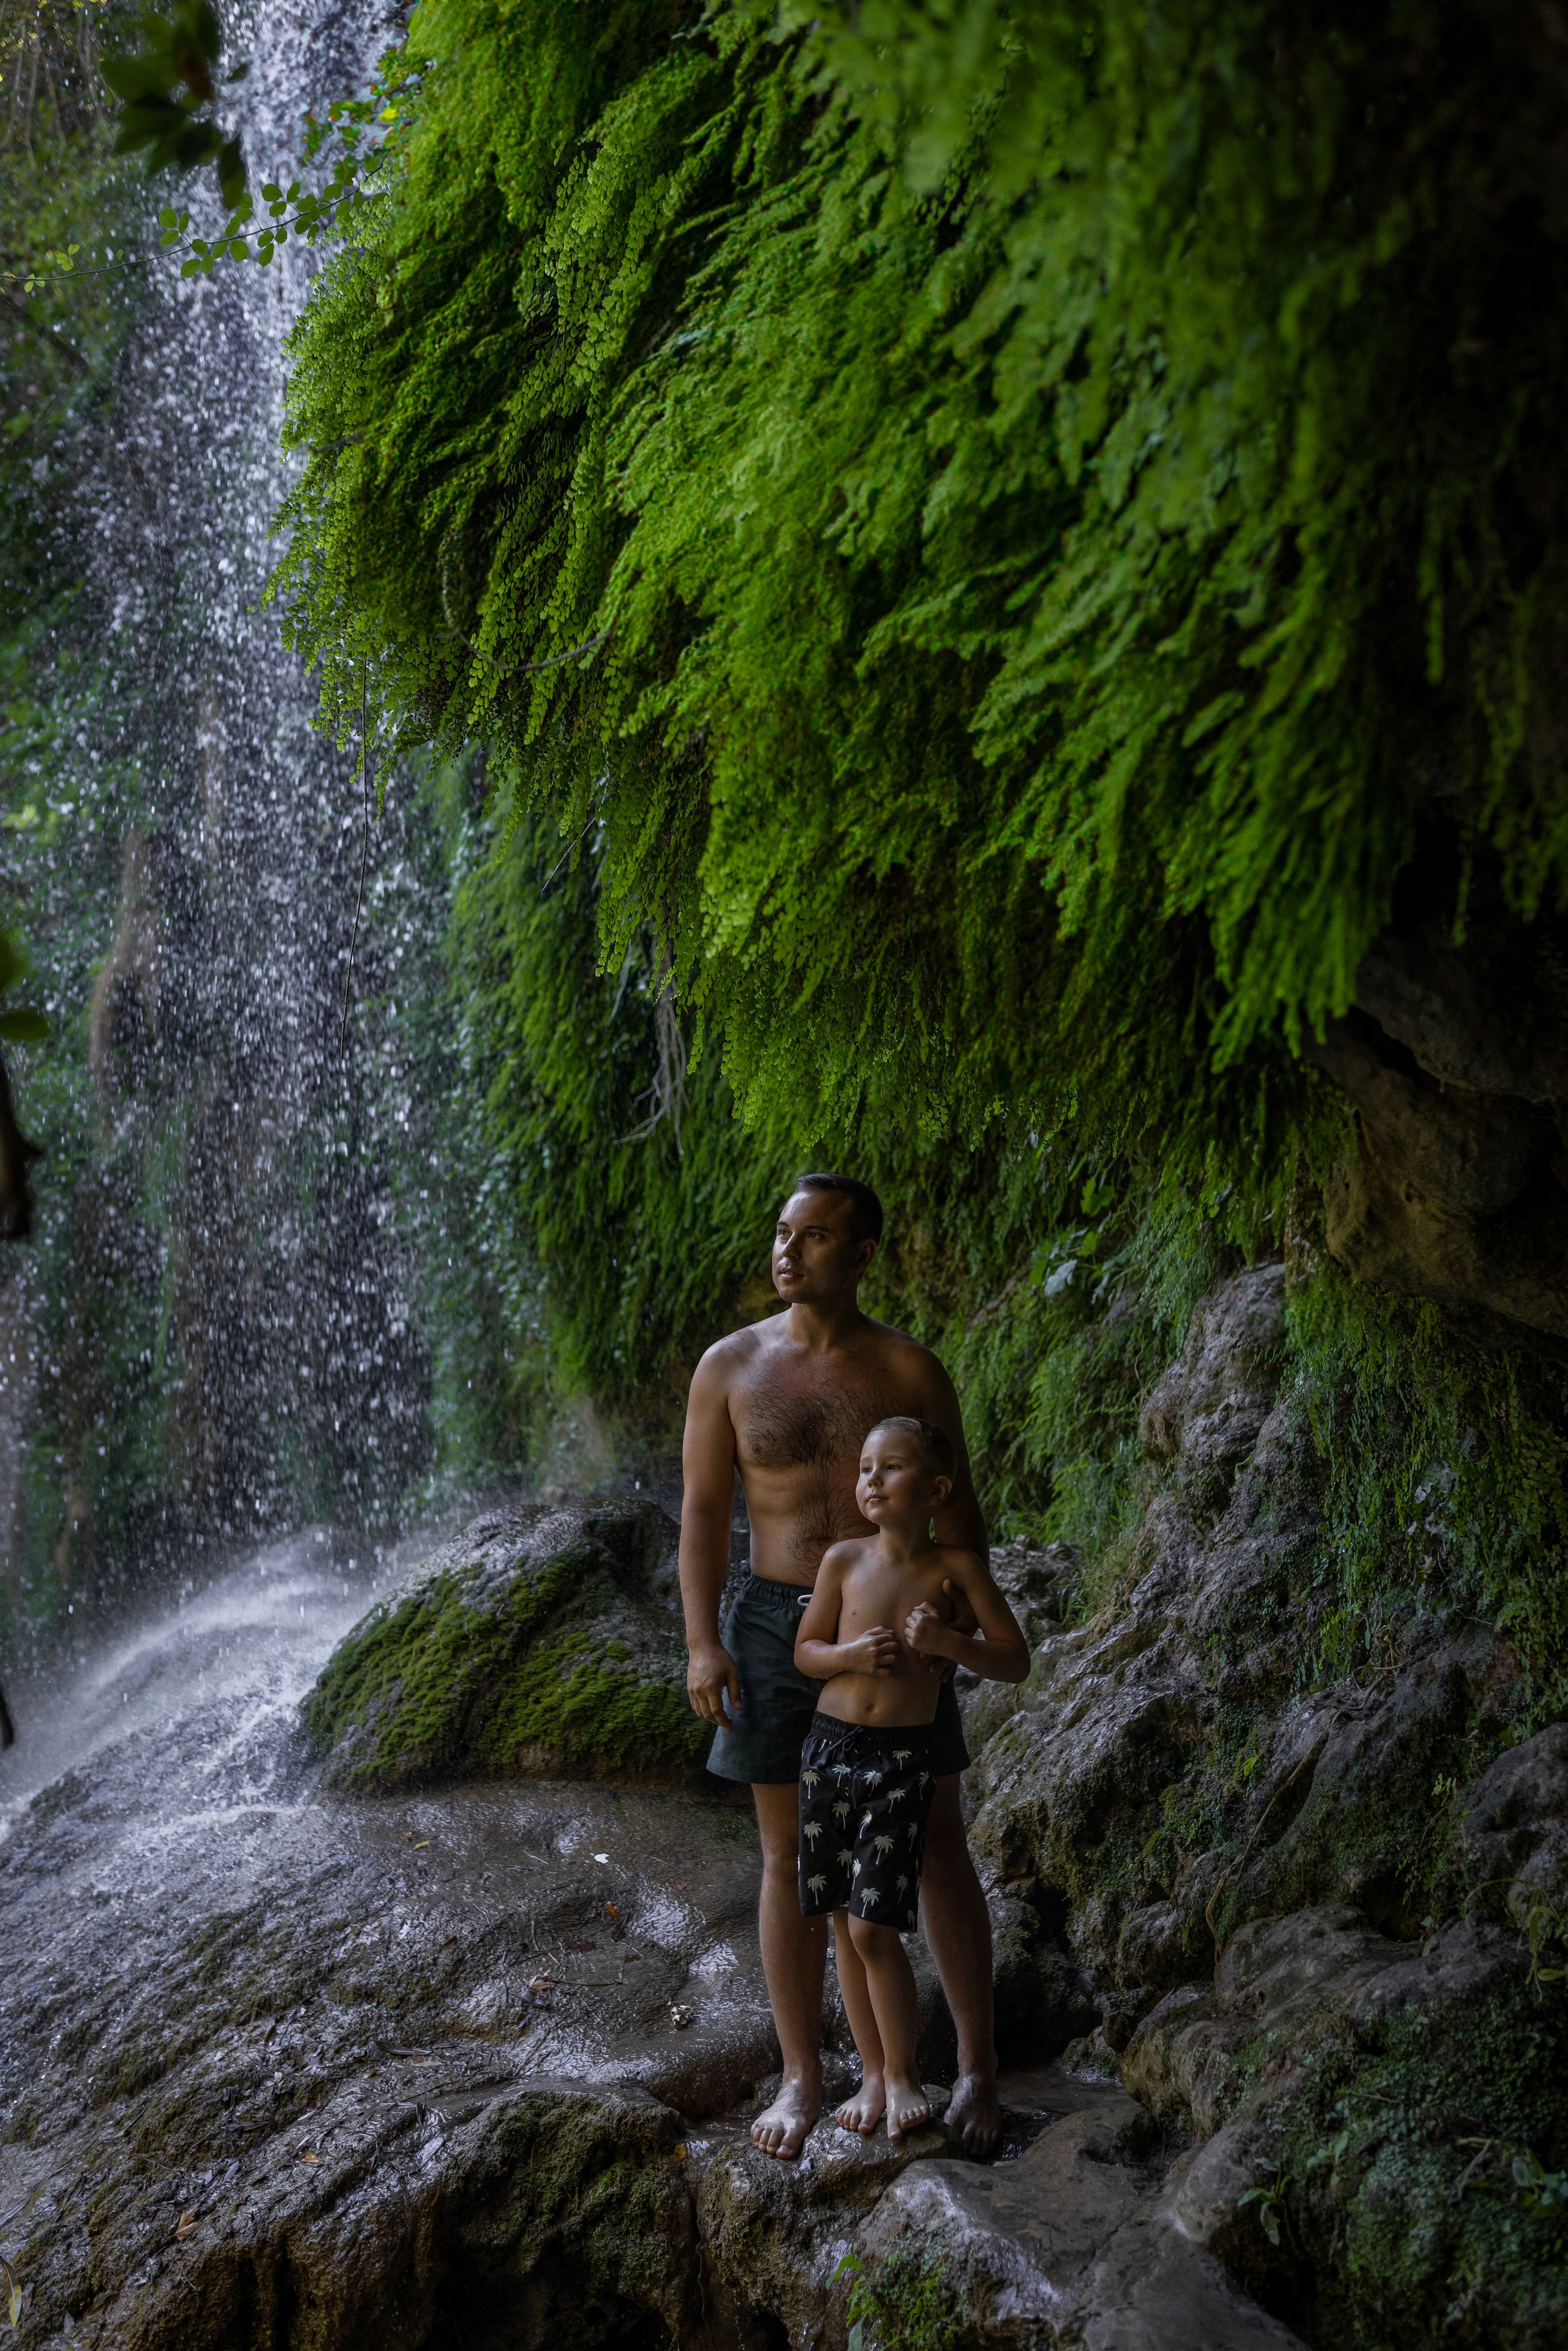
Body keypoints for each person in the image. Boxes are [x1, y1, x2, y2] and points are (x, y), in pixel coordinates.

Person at [679, 1172, 1007, 2159]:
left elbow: (963, 1517)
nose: (789, 1249)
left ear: (862, 1255)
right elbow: (702, 1512)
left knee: (939, 1839)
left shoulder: (909, 1371)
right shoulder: (730, 1367)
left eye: (815, 1235)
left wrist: (953, 1625)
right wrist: (703, 1638)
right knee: (789, 1856)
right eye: (783, 1230)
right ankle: (803, 2075)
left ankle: (980, 2065)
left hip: (901, 1621)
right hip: (778, 1621)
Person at [794, 1417, 1029, 2140]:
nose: (869, 1479)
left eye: (889, 1468)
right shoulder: (840, 1560)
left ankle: (903, 2073)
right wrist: (849, 1658)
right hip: (828, 1749)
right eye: (864, 1467)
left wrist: (949, 1643)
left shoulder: (953, 1568)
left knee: (873, 1922)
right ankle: (872, 2075)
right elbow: (805, 1650)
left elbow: (1013, 1658)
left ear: (935, 1490)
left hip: (902, 1759)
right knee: (840, 1919)